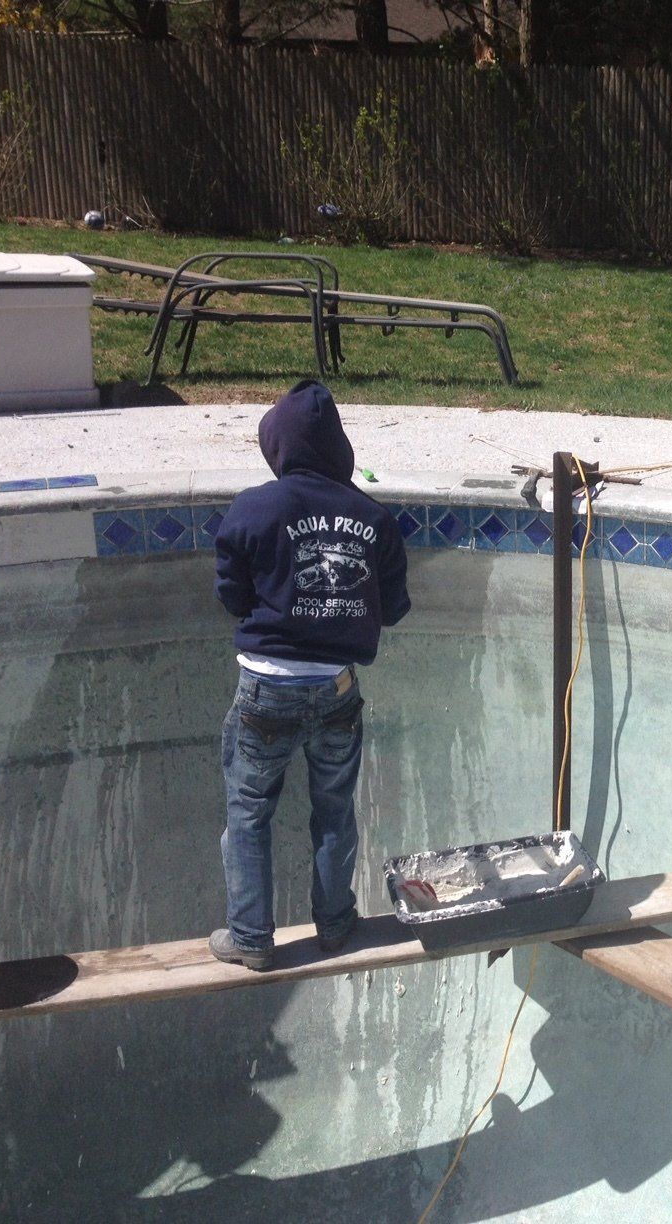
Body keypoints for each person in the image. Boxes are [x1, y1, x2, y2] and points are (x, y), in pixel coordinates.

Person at [209, 380, 410, 970]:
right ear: (339, 449)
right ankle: (334, 922)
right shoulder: (374, 518)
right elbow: (393, 609)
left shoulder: (251, 509)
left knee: (248, 815)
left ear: (278, 446)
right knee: (335, 810)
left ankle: (250, 938)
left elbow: (231, 596)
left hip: (266, 689)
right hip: (337, 691)